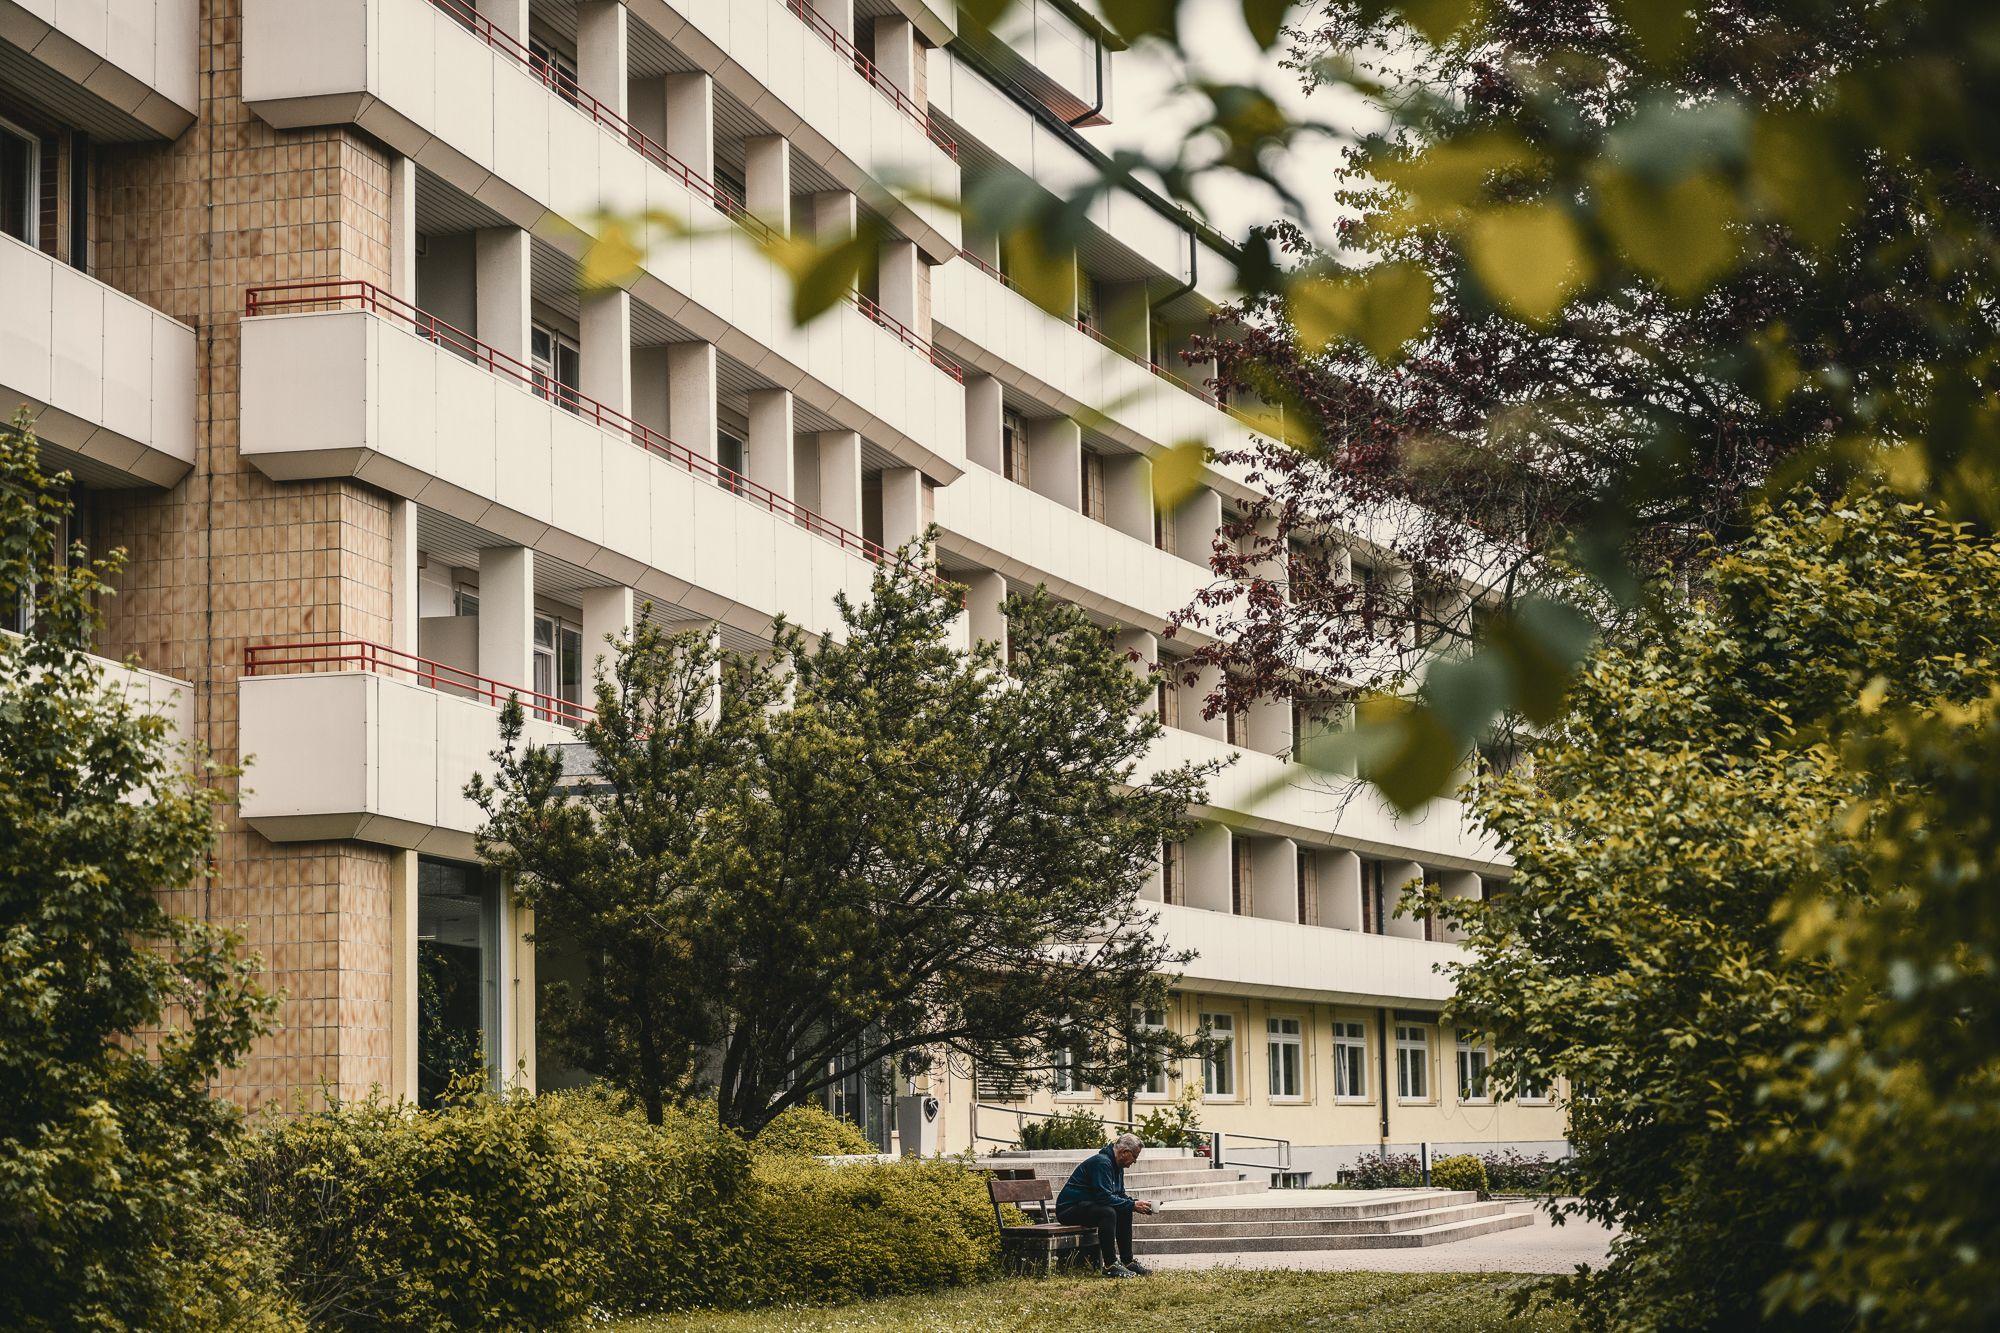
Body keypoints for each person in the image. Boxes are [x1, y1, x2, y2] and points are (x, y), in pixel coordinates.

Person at [1055, 1132, 1156, 1277]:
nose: (1134, 1162)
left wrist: (1134, 1204)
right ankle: (1110, 1264)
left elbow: (1119, 1194)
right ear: (1124, 1152)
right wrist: (1132, 1205)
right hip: (1069, 1209)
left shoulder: (1117, 1166)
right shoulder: (1102, 1162)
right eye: (1134, 1157)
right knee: (1108, 1212)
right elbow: (1104, 1197)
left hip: (1088, 1206)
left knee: (1124, 1209)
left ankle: (1127, 1261)